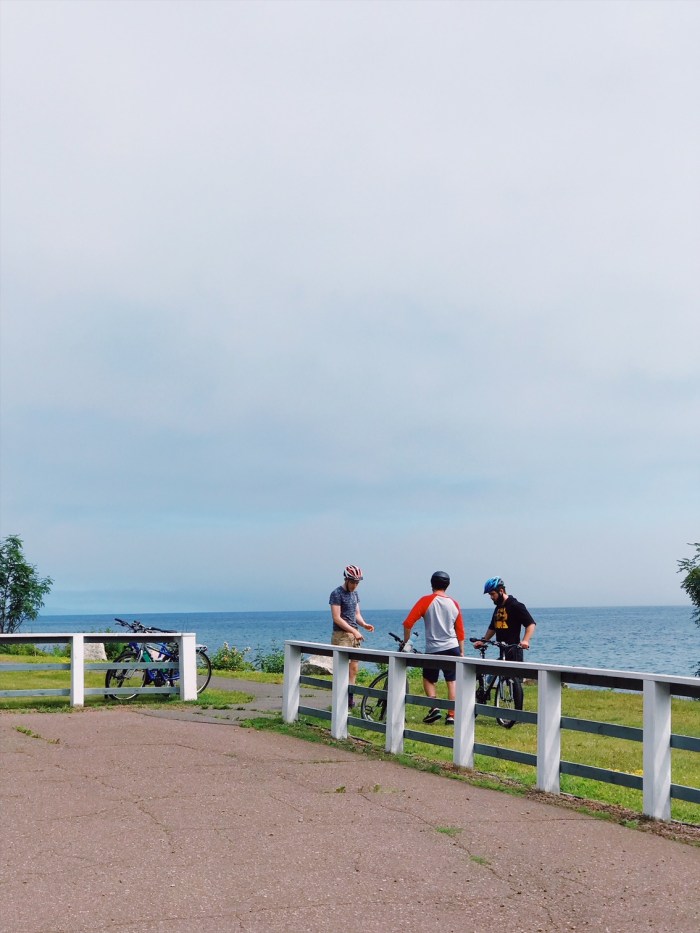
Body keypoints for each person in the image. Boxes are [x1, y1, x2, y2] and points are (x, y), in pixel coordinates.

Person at [402, 571, 465, 726]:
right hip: (453, 647)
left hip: (434, 649)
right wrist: (461, 651)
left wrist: (407, 642)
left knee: (429, 679)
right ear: (447, 585)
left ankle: (434, 708)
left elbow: (408, 623)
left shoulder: (426, 601)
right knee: (452, 681)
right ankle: (451, 715)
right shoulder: (454, 603)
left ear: (432, 584)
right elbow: (460, 630)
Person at [329, 565, 374, 708]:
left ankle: (350, 698)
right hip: (341, 635)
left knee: (353, 669)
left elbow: (356, 614)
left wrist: (364, 625)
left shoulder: (355, 594)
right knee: (341, 668)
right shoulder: (336, 593)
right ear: (346, 579)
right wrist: (354, 631)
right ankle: (339, 699)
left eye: (357, 582)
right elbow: (337, 618)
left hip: (354, 635)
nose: (355, 585)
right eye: (353, 582)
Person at [474, 577, 536, 660]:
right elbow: (493, 627)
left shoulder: (515, 605)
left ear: (501, 591)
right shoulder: (498, 607)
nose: (491, 597)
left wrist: (525, 640)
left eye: (492, 594)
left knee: (513, 672)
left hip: (514, 650)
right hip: (502, 649)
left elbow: (530, 624)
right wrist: (483, 641)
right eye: (490, 595)